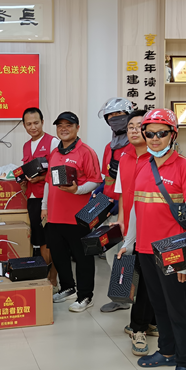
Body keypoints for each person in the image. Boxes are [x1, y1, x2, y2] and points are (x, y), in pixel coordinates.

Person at [118, 109, 186, 370]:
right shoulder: (144, 166)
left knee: (178, 308)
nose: (155, 139)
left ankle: (185, 362)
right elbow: (136, 209)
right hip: (146, 249)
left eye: (161, 133)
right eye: (149, 133)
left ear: (173, 134)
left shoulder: (183, 166)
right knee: (158, 304)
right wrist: (129, 241)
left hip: (173, 251)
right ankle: (167, 351)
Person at [42, 111, 102, 312]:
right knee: (59, 254)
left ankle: (86, 296)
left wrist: (78, 190)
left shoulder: (86, 152)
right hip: (55, 215)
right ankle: (68, 288)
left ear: (77, 128)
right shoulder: (54, 153)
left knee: (83, 257)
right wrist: (44, 207)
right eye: (60, 125)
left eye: (68, 125)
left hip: (79, 217)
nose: (64, 129)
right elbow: (48, 183)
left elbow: (95, 181)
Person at [112, 109, 158, 356]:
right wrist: (121, 219)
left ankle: (146, 322)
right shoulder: (124, 157)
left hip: (154, 225)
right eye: (130, 126)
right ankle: (138, 325)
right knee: (138, 276)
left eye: (139, 126)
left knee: (150, 276)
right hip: (132, 226)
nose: (133, 130)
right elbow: (122, 192)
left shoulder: (157, 156)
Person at [96, 97, 135, 313]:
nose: (114, 119)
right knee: (113, 256)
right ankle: (121, 298)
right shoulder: (109, 148)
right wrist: (99, 197)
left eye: (119, 115)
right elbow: (108, 180)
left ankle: (133, 299)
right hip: (111, 211)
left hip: (132, 211)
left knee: (128, 255)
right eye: (110, 116)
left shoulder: (137, 146)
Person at [20, 107, 59, 288]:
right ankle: (44, 276)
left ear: (42, 122)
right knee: (39, 239)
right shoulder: (26, 145)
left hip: (49, 198)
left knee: (49, 239)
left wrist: (41, 179)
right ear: (24, 125)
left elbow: (57, 172)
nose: (33, 127)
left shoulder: (53, 142)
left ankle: (53, 278)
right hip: (33, 197)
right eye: (29, 124)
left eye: (36, 123)